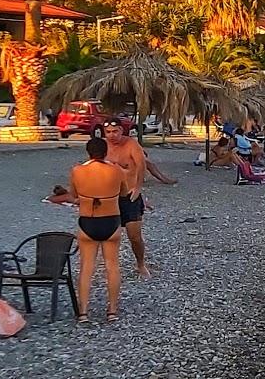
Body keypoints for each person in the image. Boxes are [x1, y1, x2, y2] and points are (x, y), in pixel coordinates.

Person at [51, 135, 126, 323]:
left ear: (88, 152)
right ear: (106, 151)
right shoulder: (116, 171)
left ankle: (83, 311)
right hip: (111, 221)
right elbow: (124, 193)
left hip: (88, 221)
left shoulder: (77, 171)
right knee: (112, 266)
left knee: (86, 267)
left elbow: (74, 194)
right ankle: (112, 311)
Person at [106, 119, 174, 278]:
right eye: (108, 132)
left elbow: (142, 167)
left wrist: (138, 188)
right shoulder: (103, 147)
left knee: (134, 236)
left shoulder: (131, 145)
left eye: (115, 132)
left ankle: (140, 263)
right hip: (110, 197)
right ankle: (111, 267)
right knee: (111, 236)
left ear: (121, 131)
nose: (112, 135)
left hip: (129, 196)